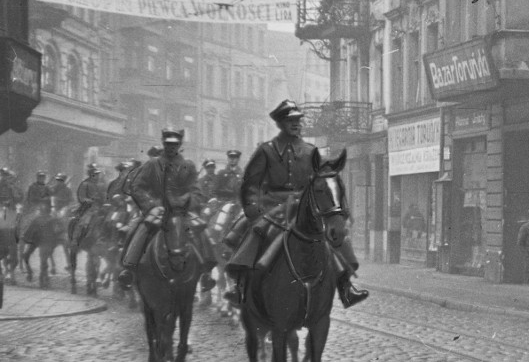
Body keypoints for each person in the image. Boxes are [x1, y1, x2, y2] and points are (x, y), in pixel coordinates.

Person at [224, 99, 369, 308]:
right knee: (255, 233)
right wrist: (254, 210)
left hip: (304, 208)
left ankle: (345, 286)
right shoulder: (266, 151)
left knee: (333, 238)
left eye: (298, 120)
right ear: (280, 123)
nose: (296, 124)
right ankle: (240, 286)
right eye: (291, 120)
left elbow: (320, 182)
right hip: (272, 206)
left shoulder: (311, 152)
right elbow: (250, 186)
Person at [116, 128, 217, 292]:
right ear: (163, 143)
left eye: (175, 144)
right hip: (157, 208)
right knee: (138, 228)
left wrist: (187, 201)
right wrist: (150, 205)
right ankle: (129, 268)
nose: (171, 147)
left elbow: (196, 191)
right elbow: (136, 187)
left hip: (182, 210)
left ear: (179, 144)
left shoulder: (188, 165)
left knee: (200, 231)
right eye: (168, 144)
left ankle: (206, 271)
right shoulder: (152, 164)